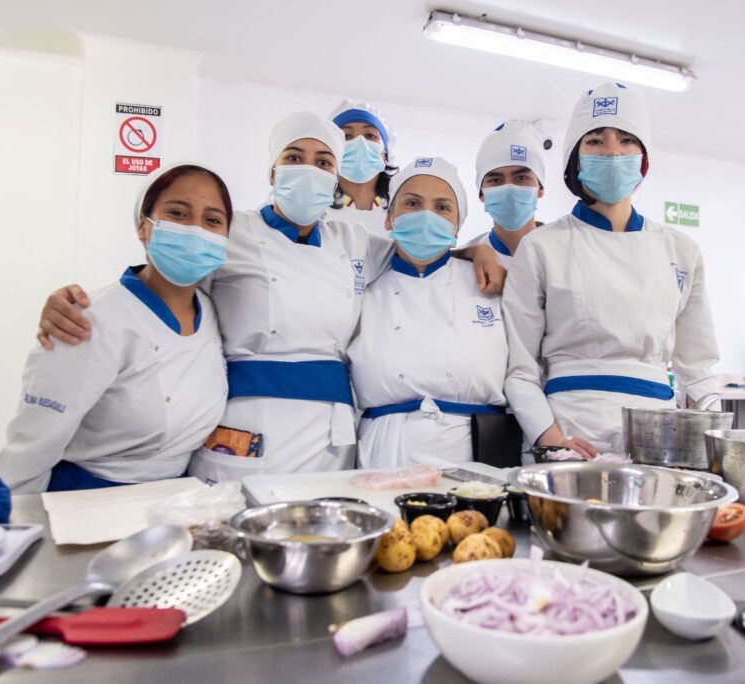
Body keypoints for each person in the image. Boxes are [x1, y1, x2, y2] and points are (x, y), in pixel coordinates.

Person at [36, 113, 505, 478]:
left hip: (332, 432)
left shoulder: (353, 241)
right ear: (272, 170)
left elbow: (422, 248)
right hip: (248, 419)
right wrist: (84, 301)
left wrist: (477, 250)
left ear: (336, 177)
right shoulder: (230, 228)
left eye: (323, 163)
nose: (309, 171)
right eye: (294, 158)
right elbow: (167, 270)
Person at [503, 82, 720, 458]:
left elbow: (698, 367)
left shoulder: (681, 251)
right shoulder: (541, 247)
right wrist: (550, 436)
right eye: (596, 141)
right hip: (569, 431)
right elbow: (520, 368)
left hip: (657, 435)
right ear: (576, 157)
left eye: (626, 140)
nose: (613, 151)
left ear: (643, 156)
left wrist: (719, 445)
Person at [0, 164, 231, 492]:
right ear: (143, 227)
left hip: (172, 499)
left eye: (212, 220)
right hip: (83, 501)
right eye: (177, 213)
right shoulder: (90, 319)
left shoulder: (215, 311)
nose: (195, 230)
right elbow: (30, 449)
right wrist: (15, 525)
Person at [348, 157, 508, 468]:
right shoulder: (363, 287)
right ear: (389, 219)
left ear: (457, 227)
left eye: (442, 207)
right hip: (385, 451)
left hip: (474, 453)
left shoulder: (489, 283)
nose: (426, 216)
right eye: (412, 203)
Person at [466, 120, 547, 267]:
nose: (509, 188)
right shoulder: (464, 263)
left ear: (540, 188)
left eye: (521, 178)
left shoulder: (568, 253)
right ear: (481, 194)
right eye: (496, 180)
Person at [326, 100, 398, 235]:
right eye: (347, 135)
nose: (360, 142)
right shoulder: (316, 208)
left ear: (386, 153)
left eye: (370, 135)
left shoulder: (403, 205)